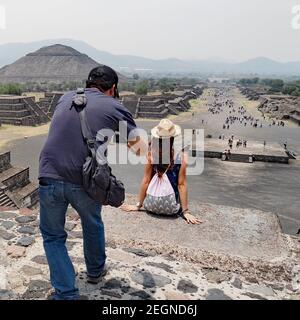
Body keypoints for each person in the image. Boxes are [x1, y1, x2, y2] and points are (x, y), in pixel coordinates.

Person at [38, 66, 147, 300]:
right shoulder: (114, 105)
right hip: (84, 179)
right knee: (92, 222)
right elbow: (139, 148)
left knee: (53, 237)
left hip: (48, 173)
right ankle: (95, 272)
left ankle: (66, 293)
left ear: (87, 83)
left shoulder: (66, 97)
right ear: (113, 88)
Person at [121, 119, 201, 225]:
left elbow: (146, 181)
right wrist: (185, 212)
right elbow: (182, 185)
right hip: (172, 208)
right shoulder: (181, 157)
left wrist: (138, 205)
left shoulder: (151, 155)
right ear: (172, 138)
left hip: (150, 206)